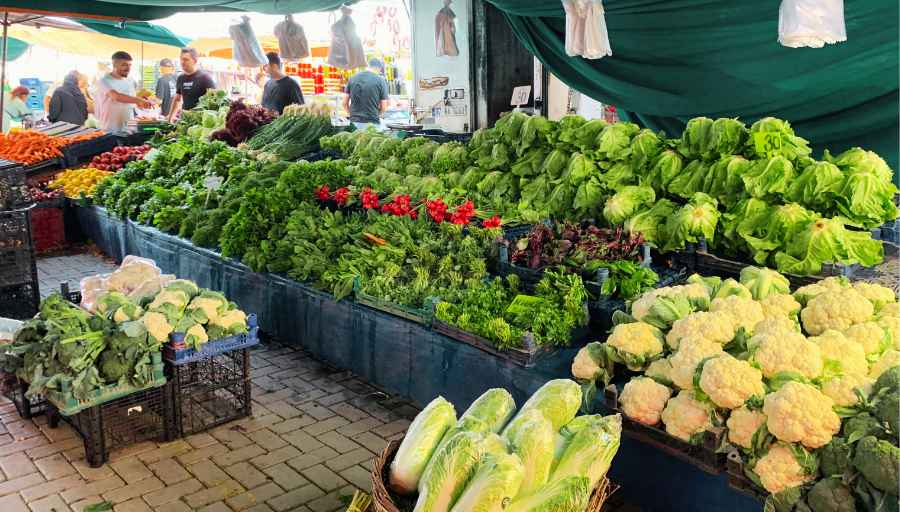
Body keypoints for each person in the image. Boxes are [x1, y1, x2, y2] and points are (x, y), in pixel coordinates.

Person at [94, 51, 152, 133]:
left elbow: (131, 100)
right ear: (114, 65)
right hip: (110, 129)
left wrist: (141, 103)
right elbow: (116, 96)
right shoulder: (104, 81)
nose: (128, 68)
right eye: (124, 65)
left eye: (130, 65)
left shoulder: (131, 80)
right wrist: (139, 100)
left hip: (129, 128)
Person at [168, 47, 216, 122]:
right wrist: (170, 118)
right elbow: (177, 99)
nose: (182, 62)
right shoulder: (181, 78)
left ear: (195, 61)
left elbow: (214, 101)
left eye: (186, 59)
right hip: (185, 120)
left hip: (200, 122)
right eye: (181, 59)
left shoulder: (205, 78)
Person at [343, 58, 389, 129]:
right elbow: (384, 107)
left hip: (354, 123)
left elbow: (344, 103)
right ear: (379, 68)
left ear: (368, 66)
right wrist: (377, 115)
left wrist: (351, 115)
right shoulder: (380, 80)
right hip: (373, 123)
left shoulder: (352, 78)